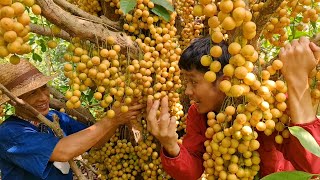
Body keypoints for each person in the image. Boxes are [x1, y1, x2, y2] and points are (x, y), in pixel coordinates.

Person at [146, 36, 320, 179]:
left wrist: (298, 81)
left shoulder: (268, 105)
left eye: (193, 81)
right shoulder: (199, 114)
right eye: (186, 82)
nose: (188, 91)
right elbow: (194, 169)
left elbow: (313, 167)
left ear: (224, 82)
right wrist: (170, 145)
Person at [0, 59, 144, 180]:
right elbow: (63, 151)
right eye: (32, 93)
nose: (43, 97)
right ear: (13, 101)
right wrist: (111, 120)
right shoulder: (10, 133)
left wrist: (117, 120)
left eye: (44, 88)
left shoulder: (55, 117)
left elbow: (96, 142)